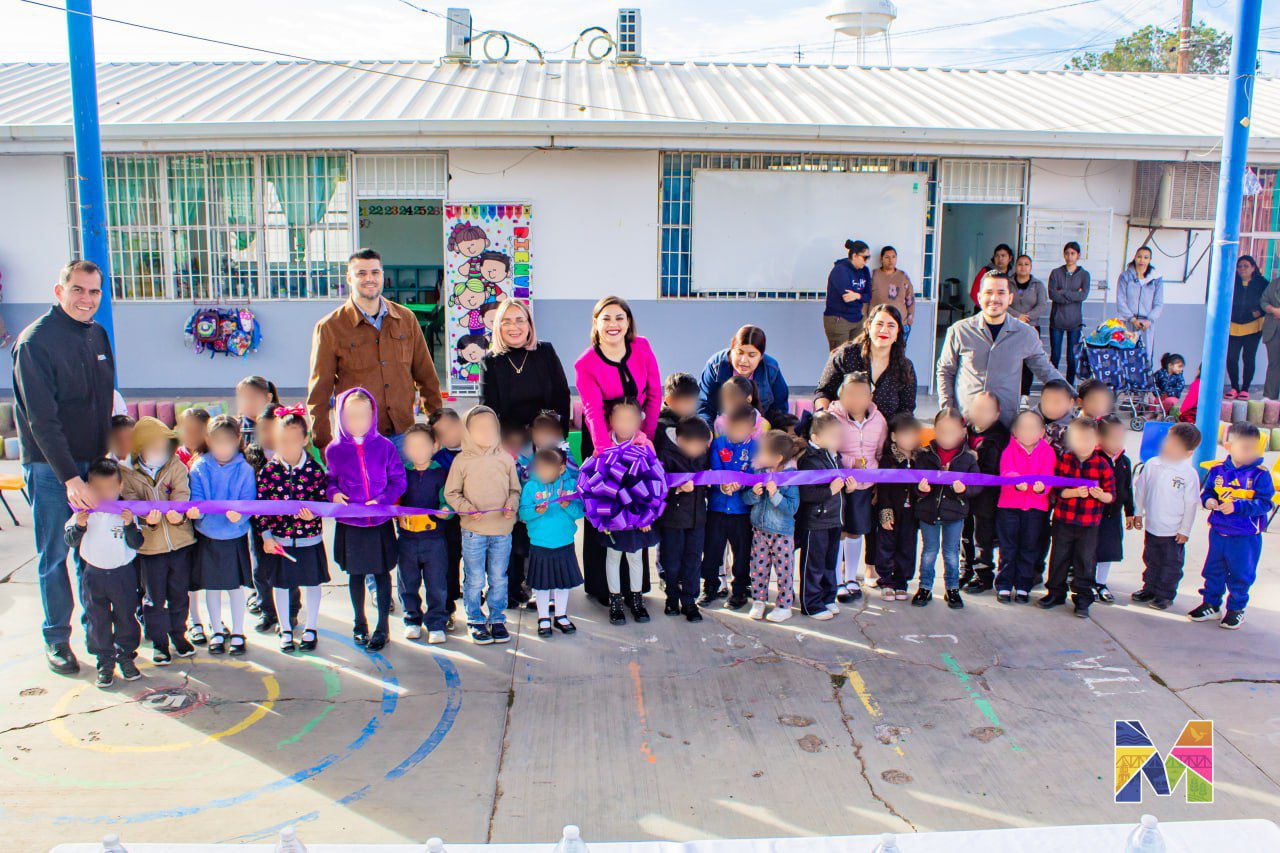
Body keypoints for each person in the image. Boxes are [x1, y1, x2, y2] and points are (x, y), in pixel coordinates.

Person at [12, 259, 117, 675]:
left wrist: (106, 462)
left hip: (94, 463)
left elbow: (104, 402)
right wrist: (70, 477)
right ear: (59, 291)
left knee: (91, 554)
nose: (86, 299)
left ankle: (97, 635)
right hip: (53, 470)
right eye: (78, 290)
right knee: (55, 556)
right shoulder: (35, 342)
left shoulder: (98, 334)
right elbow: (41, 421)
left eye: (94, 292)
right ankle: (57, 637)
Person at [307, 248, 443, 451]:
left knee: (402, 484)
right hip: (358, 439)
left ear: (382, 275)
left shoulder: (405, 319)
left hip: (403, 434)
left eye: (375, 272)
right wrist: (326, 444)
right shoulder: (330, 327)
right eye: (361, 273)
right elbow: (319, 392)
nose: (369, 278)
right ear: (349, 278)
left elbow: (427, 377)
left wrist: (436, 426)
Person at [574, 296, 662, 605]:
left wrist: (644, 437)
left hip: (638, 435)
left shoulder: (642, 347)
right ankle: (604, 588)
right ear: (596, 325)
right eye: (606, 318)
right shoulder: (585, 363)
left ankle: (635, 588)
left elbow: (655, 393)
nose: (613, 324)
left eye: (619, 318)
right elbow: (592, 410)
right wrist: (605, 451)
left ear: (628, 322)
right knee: (607, 505)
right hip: (603, 439)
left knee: (637, 502)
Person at [326, 388, 406, 651]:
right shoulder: (335, 450)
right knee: (356, 575)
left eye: (363, 416)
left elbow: (398, 481)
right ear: (341, 417)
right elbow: (329, 482)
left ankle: (383, 626)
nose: (357, 422)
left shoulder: (384, 447)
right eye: (351, 416)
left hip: (379, 524)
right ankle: (359, 623)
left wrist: (383, 500)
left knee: (382, 575)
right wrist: (335, 494)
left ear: (372, 416)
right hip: (351, 526)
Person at [938, 272, 1067, 427]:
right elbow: (945, 371)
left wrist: (1075, 395)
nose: (994, 299)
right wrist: (948, 411)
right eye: (988, 292)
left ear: (1010, 298)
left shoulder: (1025, 333)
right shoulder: (959, 331)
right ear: (979, 297)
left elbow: (1046, 371)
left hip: (1006, 423)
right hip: (966, 423)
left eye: (1001, 293)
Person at [122, 417, 198, 665]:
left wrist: (178, 515)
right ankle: (159, 642)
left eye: (164, 446)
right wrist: (148, 519)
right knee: (154, 598)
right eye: (153, 447)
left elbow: (182, 493)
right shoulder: (129, 475)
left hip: (179, 544)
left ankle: (179, 636)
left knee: (179, 594)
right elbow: (133, 503)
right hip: (150, 548)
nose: (160, 452)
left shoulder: (176, 466)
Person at [443, 405, 520, 645]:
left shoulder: (505, 458)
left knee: (498, 577)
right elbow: (451, 493)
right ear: (467, 432)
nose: (486, 432)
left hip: (502, 532)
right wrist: (466, 508)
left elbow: (515, 490)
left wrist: (511, 504)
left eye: (491, 427)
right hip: (473, 532)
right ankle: (475, 619)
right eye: (479, 429)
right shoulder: (461, 461)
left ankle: (497, 618)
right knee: (474, 578)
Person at [64, 458, 144, 688]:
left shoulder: (126, 512)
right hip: (94, 576)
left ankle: (126, 656)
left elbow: (137, 542)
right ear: (87, 487)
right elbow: (70, 541)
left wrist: (130, 525)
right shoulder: (82, 512)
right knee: (97, 619)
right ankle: (104, 661)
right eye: (97, 489)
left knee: (126, 617)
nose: (104, 494)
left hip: (122, 575)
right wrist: (79, 526)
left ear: (119, 487)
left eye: (110, 488)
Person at [256, 409, 330, 653]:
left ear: (305, 439)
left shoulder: (314, 471)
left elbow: (322, 501)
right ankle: (285, 628)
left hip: (309, 540)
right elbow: (261, 507)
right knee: (281, 584)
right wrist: (266, 536)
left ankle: (311, 627)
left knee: (312, 583)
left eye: (293, 440)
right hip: (280, 540)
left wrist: (315, 513)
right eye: (282, 440)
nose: (287, 446)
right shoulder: (267, 472)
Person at [1189, 422, 1275, 629]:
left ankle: (1236, 609)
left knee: (1241, 573)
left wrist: (1237, 506)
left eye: (1254, 448)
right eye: (1245, 448)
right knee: (1213, 569)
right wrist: (1208, 501)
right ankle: (1211, 604)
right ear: (1228, 447)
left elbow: (1265, 503)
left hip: (1245, 536)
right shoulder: (1218, 470)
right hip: (1219, 531)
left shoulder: (1260, 474)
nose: (1250, 453)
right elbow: (1208, 492)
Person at [187, 415, 256, 657]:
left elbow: (249, 500)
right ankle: (216, 629)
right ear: (208, 440)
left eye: (228, 442)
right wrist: (196, 513)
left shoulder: (245, 469)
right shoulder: (199, 467)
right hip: (207, 537)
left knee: (235, 588)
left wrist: (242, 515)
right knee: (212, 587)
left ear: (238, 439)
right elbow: (195, 497)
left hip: (234, 537)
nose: (223, 448)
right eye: (217, 442)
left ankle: (238, 631)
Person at [1039, 418, 1115, 619]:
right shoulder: (1064, 459)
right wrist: (1073, 493)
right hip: (1064, 520)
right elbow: (1056, 490)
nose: (1083, 444)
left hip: (1089, 524)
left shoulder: (1102, 465)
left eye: (1088, 439)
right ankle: (1055, 593)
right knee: (1058, 558)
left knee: (1085, 561)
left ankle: (1082, 599)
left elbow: (1111, 496)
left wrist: (1100, 495)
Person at [597, 398, 660, 625]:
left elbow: (655, 483)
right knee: (613, 557)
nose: (625, 424)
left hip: (636, 516)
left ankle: (636, 600)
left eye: (630, 419)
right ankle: (615, 601)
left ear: (639, 421)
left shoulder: (645, 446)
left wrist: (647, 515)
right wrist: (602, 515)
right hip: (612, 515)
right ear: (611, 420)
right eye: (620, 418)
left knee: (635, 557)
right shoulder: (603, 445)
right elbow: (597, 482)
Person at [913, 409, 980, 609]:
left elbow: (977, 485)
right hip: (928, 513)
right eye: (942, 431)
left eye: (952, 432)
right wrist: (920, 489)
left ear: (961, 433)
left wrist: (964, 490)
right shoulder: (924, 454)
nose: (946, 437)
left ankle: (952, 589)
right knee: (929, 552)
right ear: (935, 430)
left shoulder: (968, 458)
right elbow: (915, 482)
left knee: (951, 553)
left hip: (955, 514)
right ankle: (924, 587)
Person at [827, 372, 886, 602]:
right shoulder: (832, 417)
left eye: (862, 394)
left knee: (856, 530)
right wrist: (851, 464)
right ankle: (837, 579)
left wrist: (876, 480)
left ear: (869, 396)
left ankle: (851, 577)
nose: (855, 399)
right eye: (849, 393)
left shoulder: (878, 420)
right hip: (839, 484)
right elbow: (828, 452)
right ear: (841, 393)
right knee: (838, 531)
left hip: (864, 486)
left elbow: (880, 453)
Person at [1131, 423, 1201, 611]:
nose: (1168, 446)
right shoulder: (1153, 464)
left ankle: (1165, 594)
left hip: (1173, 532)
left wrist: (1185, 530)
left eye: (1175, 445)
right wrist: (1138, 512)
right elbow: (1141, 489)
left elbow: (1191, 504)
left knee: (1170, 564)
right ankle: (1150, 588)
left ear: (1188, 453)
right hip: (1152, 526)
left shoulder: (1188, 474)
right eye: (1168, 441)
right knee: (1151, 559)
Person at [519, 447, 584, 638]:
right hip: (540, 545)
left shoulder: (570, 486)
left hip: (564, 543)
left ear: (561, 468)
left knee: (563, 584)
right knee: (542, 585)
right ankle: (543, 618)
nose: (542, 473)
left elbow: (580, 512)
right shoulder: (531, 487)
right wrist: (534, 512)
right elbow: (523, 513)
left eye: (547, 469)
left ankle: (561, 615)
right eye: (539, 469)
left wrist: (568, 505)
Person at [395, 423, 450, 645]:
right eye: (412, 446)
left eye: (422, 445)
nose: (417, 450)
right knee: (407, 582)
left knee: (436, 583)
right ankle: (412, 619)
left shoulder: (441, 473)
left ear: (434, 446)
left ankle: (436, 622)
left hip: (434, 539)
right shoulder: (401, 473)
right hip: (407, 539)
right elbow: (394, 499)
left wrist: (446, 511)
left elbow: (449, 499)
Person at [741, 430, 805, 622]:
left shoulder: (790, 478)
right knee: (758, 568)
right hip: (759, 531)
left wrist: (776, 495)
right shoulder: (758, 473)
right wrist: (753, 493)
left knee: (784, 570)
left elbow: (792, 508)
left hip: (782, 534)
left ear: (777, 458)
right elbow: (746, 499)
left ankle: (784, 605)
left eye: (762, 452)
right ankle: (759, 601)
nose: (758, 456)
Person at [481, 300, 572, 432]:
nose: (514, 327)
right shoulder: (489, 361)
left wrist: (558, 432)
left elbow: (561, 397)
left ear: (529, 324)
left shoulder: (546, 351)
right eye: (506, 321)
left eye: (520, 320)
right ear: (498, 327)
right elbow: (488, 410)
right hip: (508, 437)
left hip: (547, 432)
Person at [994, 411, 1056, 604]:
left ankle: (1023, 586)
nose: (1028, 432)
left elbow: (1048, 476)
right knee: (1008, 547)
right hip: (1009, 507)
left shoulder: (1048, 452)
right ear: (1015, 432)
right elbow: (1006, 471)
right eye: (1023, 428)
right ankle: (1004, 585)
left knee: (1029, 548)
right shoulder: (1009, 450)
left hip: (1036, 508)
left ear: (1042, 432)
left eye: (1033, 428)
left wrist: (1041, 488)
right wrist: (1015, 481)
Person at [816, 304, 917, 421]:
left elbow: (906, 410)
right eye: (879, 324)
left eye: (891, 325)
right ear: (868, 326)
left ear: (898, 331)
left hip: (887, 435)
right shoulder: (846, 356)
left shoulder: (905, 367)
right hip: (842, 432)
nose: (884, 330)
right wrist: (824, 422)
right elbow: (823, 393)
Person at [656, 416, 711, 622]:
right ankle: (671, 597)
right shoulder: (665, 454)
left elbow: (709, 476)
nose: (699, 451)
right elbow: (656, 489)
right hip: (672, 520)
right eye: (696, 446)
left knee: (693, 561)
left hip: (697, 519)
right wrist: (677, 488)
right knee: (671, 562)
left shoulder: (703, 456)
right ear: (681, 441)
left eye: (702, 447)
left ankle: (689, 601)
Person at [701, 404, 757, 609]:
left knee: (741, 554)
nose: (735, 433)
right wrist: (721, 485)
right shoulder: (718, 444)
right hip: (717, 508)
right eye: (732, 427)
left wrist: (740, 484)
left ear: (751, 429)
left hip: (741, 511)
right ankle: (710, 588)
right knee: (712, 551)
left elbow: (754, 473)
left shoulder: (755, 447)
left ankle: (739, 592)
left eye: (741, 429)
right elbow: (714, 469)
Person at [796, 412, 846, 620]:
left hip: (834, 519)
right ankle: (811, 604)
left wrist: (846, 488)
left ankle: (827, 597)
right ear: (815, 438)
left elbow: (838, 486)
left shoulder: (834, 456)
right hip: (815, 521)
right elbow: (807, 494)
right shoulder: (809, 460)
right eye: (833, 435)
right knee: (813, 565)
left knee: (829, 563)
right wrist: (832, 490)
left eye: (839, 435)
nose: (838, 440)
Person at [959, 392, 1009, 594]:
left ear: (997, 414)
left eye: (987, 410)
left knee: (983, 536)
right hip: (964, 495)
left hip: (986, 498)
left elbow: (996, 470)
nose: (981, 414)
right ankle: (966, 568)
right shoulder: (964, 431)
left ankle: (984, 574)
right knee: (965, 534)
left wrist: (975, 460)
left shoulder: (1000, 438)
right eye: (977, 408)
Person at [698, 325, 790, 423]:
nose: (744, 361)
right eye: (739, 353)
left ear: (761, 356)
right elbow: (704, 405)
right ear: (731, 349)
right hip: (725, 428)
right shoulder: (715, 365)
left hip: (761, 429)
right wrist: (708, 432)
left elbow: (780, 408)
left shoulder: (771, 368)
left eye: (752, 355)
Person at [874, 415, 921, 602]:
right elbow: (883, 489)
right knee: (886, 546)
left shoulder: (921, 459)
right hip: (892, 512)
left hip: (911, 513)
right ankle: (886, 581)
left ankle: (902, 581)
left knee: (907, 546)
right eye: (905, 434)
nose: (910, 439)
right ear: (894, 437)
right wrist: (885, 513)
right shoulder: (888, 460)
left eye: (913, 434)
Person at [428, 408, 466, 630]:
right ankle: (448, 607)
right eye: (441, 433)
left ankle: (478, 604)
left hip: (477, 521)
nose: (448, 435)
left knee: (477, 564)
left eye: (450, 428)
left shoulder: (477, 450)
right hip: (449, 523)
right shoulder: (437, 460)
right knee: (449, 563)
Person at [1092, 416, 1134, 605]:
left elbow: (1127, 488)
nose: (1117, 443)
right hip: (1093, 514)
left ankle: (1101, 582)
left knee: (1108, 550)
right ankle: (1087, 581)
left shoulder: (1124, 461)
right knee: (1090, 549)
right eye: (1112, 438)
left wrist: (1130, 512)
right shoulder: (1094, 458)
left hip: (1113, 514)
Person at [1226, 255, 1269, 399]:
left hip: (1253, 327)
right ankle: (1234, 387)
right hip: (1233, 326)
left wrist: (1260, 311)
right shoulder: (1231, 281)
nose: (1242, 269)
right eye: (1240, 266)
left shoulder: (1262, 283)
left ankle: (1245, 389)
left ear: (1253, 267)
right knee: (1231, 358)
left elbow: (1269, 300)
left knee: (1248, 357)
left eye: (1246, 266)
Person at [1047, 241, 1091, 384]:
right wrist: (1072, 295)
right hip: (1057, 320)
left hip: (1074, 322)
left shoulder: (1084, 275)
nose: (1069, 256)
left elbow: (1083, 295)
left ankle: (1069, 386)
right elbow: (1053, 295)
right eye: (1067, 253)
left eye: (1073, 253)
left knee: (1072, 357)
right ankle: (1053, 383)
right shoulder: (1056, 273)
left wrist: (1063, 292)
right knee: (1055, 355)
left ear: (1078, 255)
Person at [1009, 254, 1048, 397]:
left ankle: (1025, 394)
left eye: (1026, 264)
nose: (1023, 267)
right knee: (1012, 360)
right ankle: (1011, 392)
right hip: (1011, 326)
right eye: (1020, 264)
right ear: (1015, 266)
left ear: (1030, 267)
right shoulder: (1008, 283)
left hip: (1031, 326)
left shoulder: (1037, 285)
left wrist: (1027, 317)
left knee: (1028, 362)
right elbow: (1004, 304)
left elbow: (1042, 305)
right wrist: (1017, 316)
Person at [1114, 246, 1163, 361]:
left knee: (1144, 357)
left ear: (1150, 260)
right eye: (1139, 257)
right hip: (1128, 321)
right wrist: (1132, 319)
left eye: (1146, 257)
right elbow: (1121, 301)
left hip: (1146, 324)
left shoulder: (1155, 279)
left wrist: (1149, 320)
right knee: (1126, 355)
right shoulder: (1125, 276)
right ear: (1135, 258)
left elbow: (1158, 303)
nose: (1142, 260)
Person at [824, 239, 873, 351]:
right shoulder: (840, 270)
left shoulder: (865, 270)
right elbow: (847, 298)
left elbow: (868, 296)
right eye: (864, 258)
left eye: (868, 258)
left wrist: (857, 296)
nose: (866, 261)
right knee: (839, 358)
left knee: (856, 357)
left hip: (857, 318)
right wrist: (860, 296)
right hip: (839, 318)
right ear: (854, 256)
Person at [869, 246, 915, 340]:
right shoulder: (873, 275)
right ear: (881, 259)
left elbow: (910, 300)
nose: (891, 260)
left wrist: (909, 323)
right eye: (887, 257)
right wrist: (867, 322)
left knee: (898, 354)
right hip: (878, 326)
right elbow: (865, 300)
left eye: (893, 257)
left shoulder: (903, 276)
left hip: (900, 325)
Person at [657, 373, 700, 454]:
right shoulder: (661, 428)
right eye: (687, 402)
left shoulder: (694, 423)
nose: (692, 408)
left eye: (694, 403)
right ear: (670, 401)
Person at [235, 376, 280, 444]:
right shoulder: (236, 426)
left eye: (253, 397)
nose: (247, 402)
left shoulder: (279, 424)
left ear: (268, 398)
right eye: (243, 397)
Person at [1037, 379, 1076, 452]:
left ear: (1070, 403)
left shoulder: (1075, 429)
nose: (1051, 406)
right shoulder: (1028, 420)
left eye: (1057, 402)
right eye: (1047, 400)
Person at [1261, 273, 1280, 399]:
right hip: (1273, 330)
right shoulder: (1274, 283)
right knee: (1274, 363)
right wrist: (1274, 310)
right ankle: (1269, 397)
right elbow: (1263, 301)